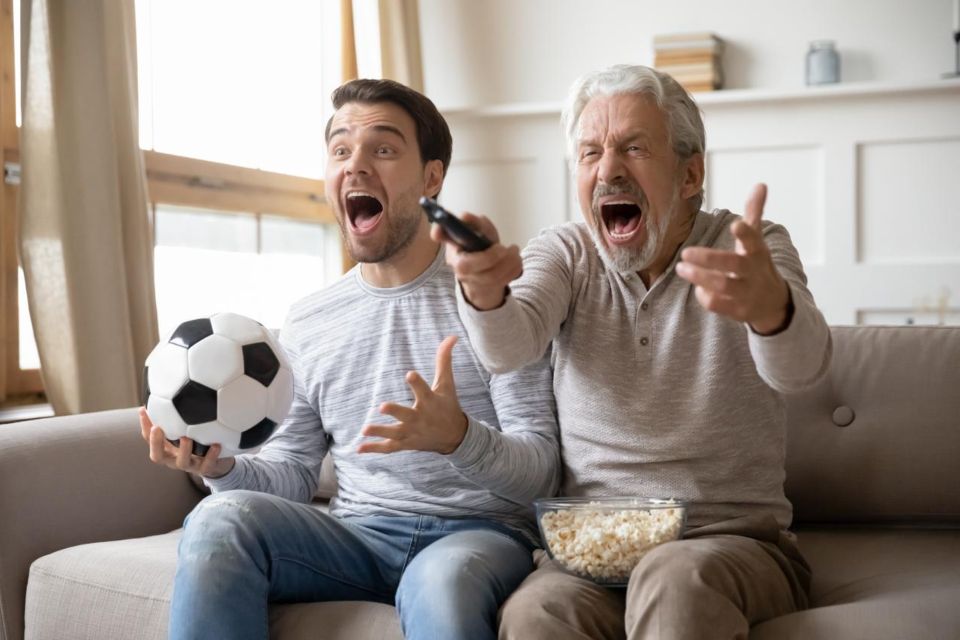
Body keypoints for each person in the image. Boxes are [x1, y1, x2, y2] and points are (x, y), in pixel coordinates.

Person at [140, 78, 559, 640]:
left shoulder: (492, 298)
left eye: (383, 149)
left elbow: (542, 475)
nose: (355, 166)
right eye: (340, 150)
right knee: (219, 520)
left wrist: (459, 438)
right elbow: (292, 471)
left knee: (443, 582)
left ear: (432, 178)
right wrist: (219, 468)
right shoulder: (311, 319)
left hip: (478, 535)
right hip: (356, 536)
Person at [435, 64, 832, 639]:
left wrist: (771, 308)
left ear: (691, 174)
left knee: (671, 578)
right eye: (590, 153)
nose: (609, 171)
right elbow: (509, 346)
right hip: (590, 552)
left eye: (634, 148)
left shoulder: (752, 246)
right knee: (533, 614)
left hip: (728, 546)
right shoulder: (568, 251)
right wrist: (482, 289)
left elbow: (802, 371)